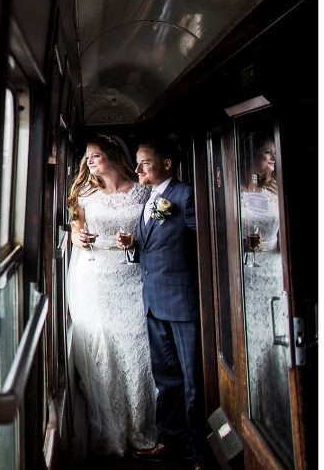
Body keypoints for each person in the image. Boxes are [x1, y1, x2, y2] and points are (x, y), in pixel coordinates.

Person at [118, 138, 216, 469]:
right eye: (137, 163)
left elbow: (206, 244)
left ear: (167, 164)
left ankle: (203, 454)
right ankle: (170, 441)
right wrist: (133, 245)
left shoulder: (186, 195)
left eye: (144, 162)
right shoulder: (150, 198)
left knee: (193, 383)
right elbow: (153, 247)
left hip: (183, 302)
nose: (138, 169)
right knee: (166, 378)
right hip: (154, 302)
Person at [66, 134, 156, 456]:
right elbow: (76, 229)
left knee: (138, 349)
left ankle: (142, 427)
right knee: (106, 351)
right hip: (96, 279)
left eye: (96, 155)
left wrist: (134, 242)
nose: (90, 162)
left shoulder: (144, 191)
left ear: (114, 155)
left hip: (133, 278)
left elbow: (153, 233)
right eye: (87, 158)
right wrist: (79, 237)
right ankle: (115, 432)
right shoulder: (85, 193)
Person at [239, 138, 291, 439]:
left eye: (274, 153)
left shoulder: (275, 191)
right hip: (245, 278)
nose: (272, 159)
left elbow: (284, 234)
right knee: (255, 348)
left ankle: (280, 417)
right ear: (252, 154)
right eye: (267, 153)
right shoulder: (232, 190)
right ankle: (254, 415)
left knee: (277, 346)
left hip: (272, 273)